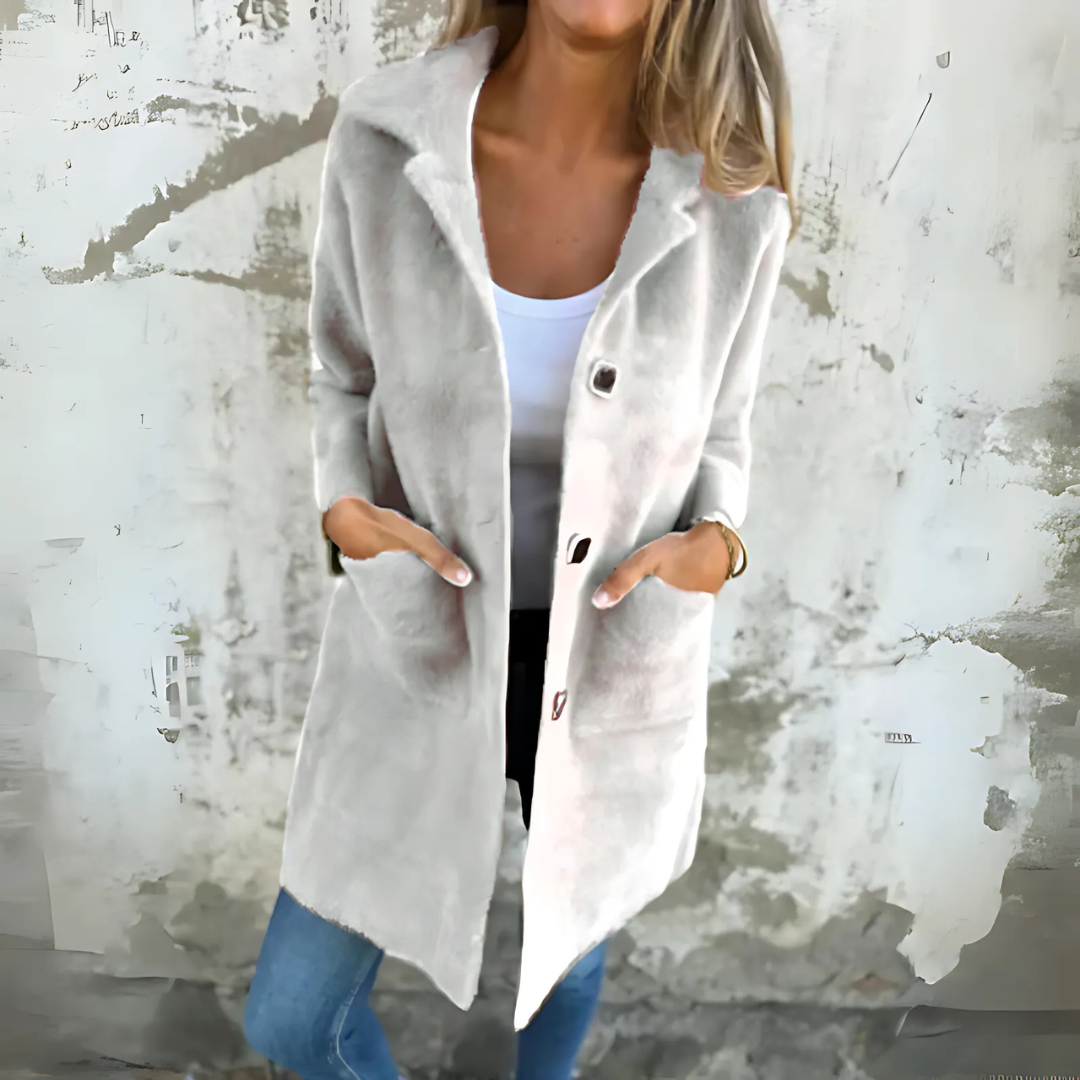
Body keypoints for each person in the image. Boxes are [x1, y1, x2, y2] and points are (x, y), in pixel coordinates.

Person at [244, 0, 795, 1074]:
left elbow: (725, 427)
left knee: (568, 955)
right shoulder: (388, 137)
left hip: (612, 645)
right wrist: (344, 510)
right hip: (424, 629)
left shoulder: (734, 199)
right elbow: (341, 371)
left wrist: (718, 545)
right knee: (296, 1015)